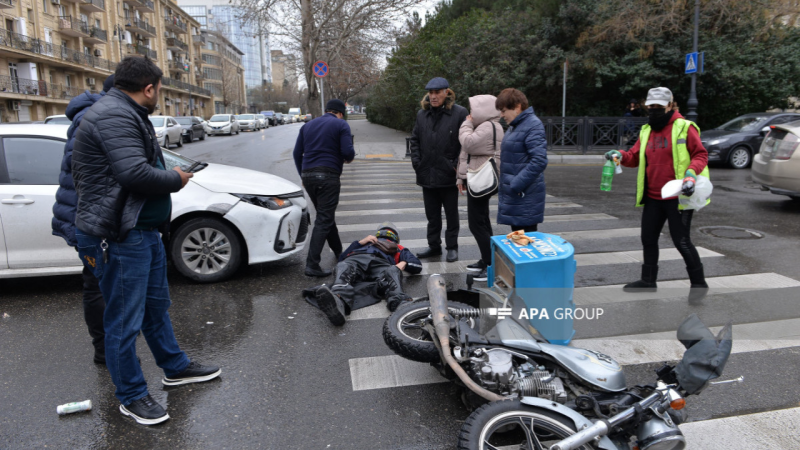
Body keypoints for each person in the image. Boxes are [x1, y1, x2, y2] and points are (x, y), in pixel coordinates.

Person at [73, 56, 220, 426]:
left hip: (142, 232)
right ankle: (131, 395)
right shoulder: (114, 115)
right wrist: (176, 178)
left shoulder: (124, 112)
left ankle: (174, 367)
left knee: (156, 308)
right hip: (120, 236)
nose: (160, 96)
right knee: (123, 320)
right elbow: (134, 173)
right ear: (150, 88)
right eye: (160, 90)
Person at [605, 87, 710, 303]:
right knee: (648, 239)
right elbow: (634, 157)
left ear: (671, 105)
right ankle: (648, 281)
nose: (654, 111)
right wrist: (619, 155)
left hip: (679, 196)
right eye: (650, 107)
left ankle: (699, 285)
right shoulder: (646, 130)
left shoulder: (684, 127)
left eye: (659, 107)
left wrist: (690, 175)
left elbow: (700, 154)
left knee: (682, 242)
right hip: (654, 196)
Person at [51, 74, 115, 365]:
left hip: (86, 216)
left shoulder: (88, 116)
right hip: (90, 220)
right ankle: (104, 350)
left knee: (100, 282)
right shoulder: (95, 120)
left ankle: (109, 347)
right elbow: (89, 176)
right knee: (98, 284)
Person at [313, 222, 422, 326]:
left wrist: (402, 263)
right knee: (343, 266)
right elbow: (342, 258)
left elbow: (417, 265)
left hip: (380, 264)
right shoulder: (366, 242)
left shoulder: (399, 248)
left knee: (392, 272)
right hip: (357, 260)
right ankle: (338, 302)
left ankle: (399, 302)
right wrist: (359, 242)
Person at [293, 98, 355, 277]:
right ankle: (312, 264)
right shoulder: (341, 125)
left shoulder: (307, 126)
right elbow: (347, 152)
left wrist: (303, 175)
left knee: (325, 215)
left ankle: (339, 252)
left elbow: (297, 153)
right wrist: (348, 157)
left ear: (327, 110)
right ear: (340, 113)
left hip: (308, 176)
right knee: (324, 219)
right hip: (328, 176)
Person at [409, 77, 468, 263]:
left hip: (449, 173)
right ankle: (434, 246)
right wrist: (417, 163)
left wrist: (457, 166)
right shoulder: (422, 114)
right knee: (432, 215)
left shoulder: (459, 113)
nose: (433, 96)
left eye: (437, 92)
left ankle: (452, 247)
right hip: (427, 172)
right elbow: (415, 140)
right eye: (431, 93)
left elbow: (464, 143)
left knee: (451, 215)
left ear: (446, 92)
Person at [457, 95, 504, 282]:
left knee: (476, 223)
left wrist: (466, 124)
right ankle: (487, 260)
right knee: (482, 220)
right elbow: (467, 154)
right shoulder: (487, 126)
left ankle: (491, 263)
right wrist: (461, 177)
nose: (470, 114)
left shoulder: (487, 126)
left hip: (481, 179)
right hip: (478, 177)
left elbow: (467, 143)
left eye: (473, 110)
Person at [495, 88, 548, 232]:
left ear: (517, 107)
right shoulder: (516, 125)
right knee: (519, 243)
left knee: (525, 246)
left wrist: (515, 184)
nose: (502, 115)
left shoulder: (532, 125)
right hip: (518, 196)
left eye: (504, 110)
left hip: (524, 196)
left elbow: (539, 160)